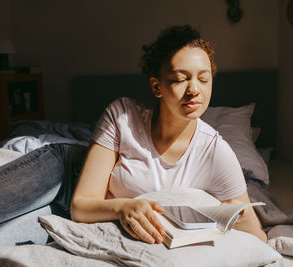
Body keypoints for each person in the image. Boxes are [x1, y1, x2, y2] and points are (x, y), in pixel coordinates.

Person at [70, 25, 267, 244]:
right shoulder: (122, 116)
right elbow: (80, 205)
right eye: (181, 79)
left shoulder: (216, 152)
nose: (194, 90)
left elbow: (258, 237)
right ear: (157, 87)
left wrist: (235, 218)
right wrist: (123, 207)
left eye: (203, 79)